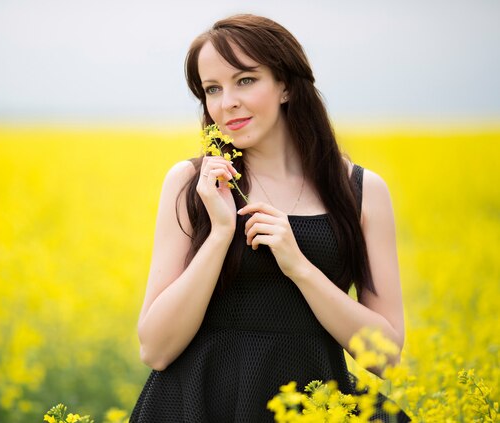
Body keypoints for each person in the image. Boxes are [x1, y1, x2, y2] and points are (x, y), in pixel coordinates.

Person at [130, 14, 410, 422]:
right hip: (199, 407)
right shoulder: (191, 184)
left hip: (313, 409)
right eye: (212, 89)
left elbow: (385, 357)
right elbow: (154, 349)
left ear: (285, 85)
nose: (227, 103)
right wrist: (221, 233)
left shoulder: (361, 192)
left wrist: (300, 267)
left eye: (245, 80)